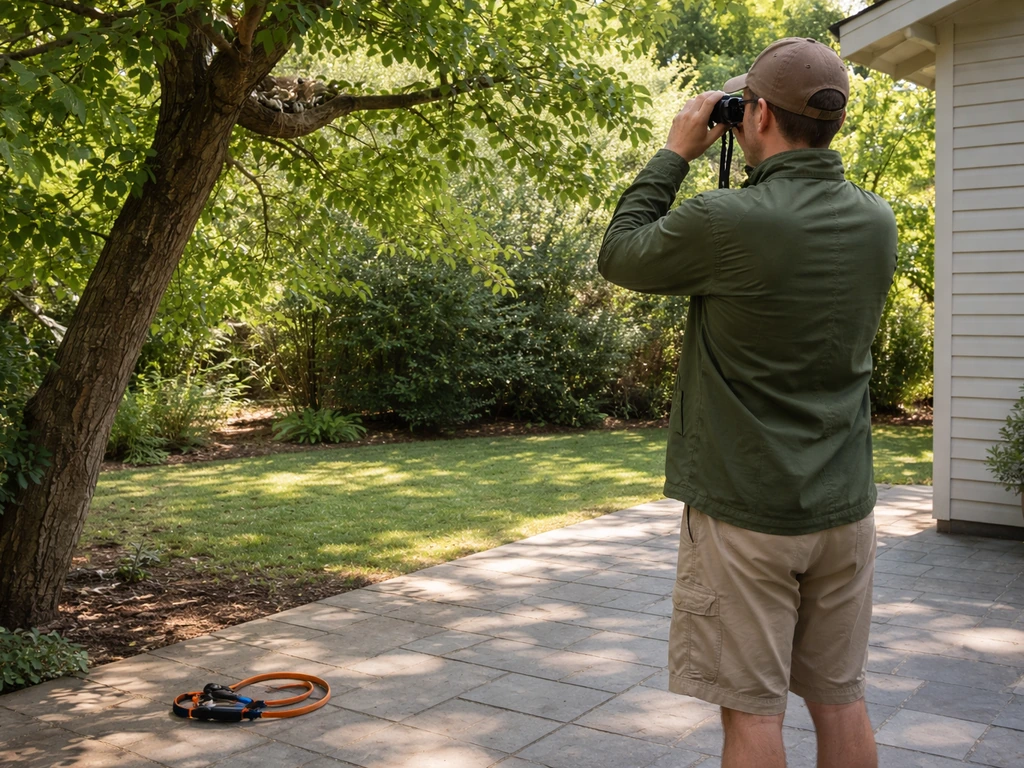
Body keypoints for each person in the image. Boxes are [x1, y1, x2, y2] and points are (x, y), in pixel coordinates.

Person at [598, 38, 897, 768]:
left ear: (756, 114)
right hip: (843, 511)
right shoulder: (876, 221)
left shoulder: (727, 222)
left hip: (747, 514)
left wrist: (674, 154)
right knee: (840, 699)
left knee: (753, 715)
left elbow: (620, 254)